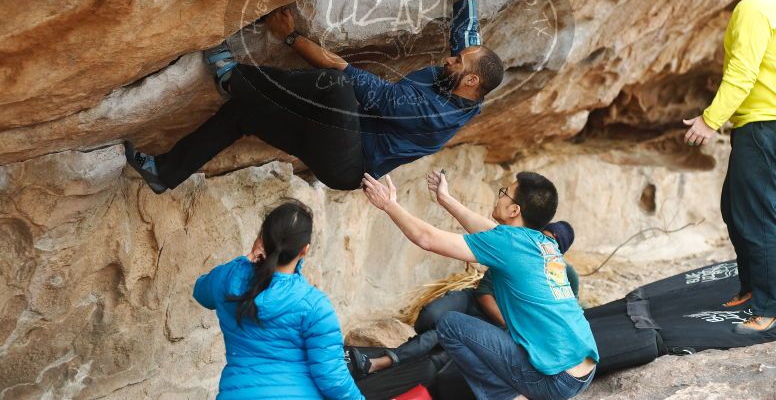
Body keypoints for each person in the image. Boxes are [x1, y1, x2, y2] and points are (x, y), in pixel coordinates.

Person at [124, 0, 504, 194]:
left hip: (346, 165)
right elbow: (467, 24)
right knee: (243, 114)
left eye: (457, 61)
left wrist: (288, 37)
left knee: (338, 86)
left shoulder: (426, 112)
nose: (450, 57)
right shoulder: (465, 82)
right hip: (336, 133)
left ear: (470, 80)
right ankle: (164, 173)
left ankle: (233, 76)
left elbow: (345, 74)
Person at [362, 171, 598, 400]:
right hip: (584, 370)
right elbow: (488, 229)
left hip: (554, 381)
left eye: (505, 192)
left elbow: (428, 238)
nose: (500, 195)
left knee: (449, 325)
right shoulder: (544, 243)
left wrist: (389, 205)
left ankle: (507, 397)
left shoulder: (509, 244)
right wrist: (445, 199)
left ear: (514, 210)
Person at [682, 0, 776, 334]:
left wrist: (709, 121)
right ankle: (754, 286)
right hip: (770, 124)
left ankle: (775, 309)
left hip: (768, 126)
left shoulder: (757, 6)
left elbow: (741, 75)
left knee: (757, 216)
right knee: (736, 207)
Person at [352, 219, 579, 376]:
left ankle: (379, 363)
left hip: (497, 326)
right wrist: (506, 323)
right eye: (543, 237)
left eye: (553, 244)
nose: (545, 246)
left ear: (561, 252)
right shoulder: (518, 252)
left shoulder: (567, 275)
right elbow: (483, 293)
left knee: (439, 332)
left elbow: (567, 312)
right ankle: (423, 349)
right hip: (479, 304)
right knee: (430, 317)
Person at [192, 200, 363, 399]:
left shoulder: (227, 277)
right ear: (304, 250)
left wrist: (242, 262)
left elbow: (200, 292)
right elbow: (332, 378)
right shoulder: (314, 304)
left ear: (262, 238)